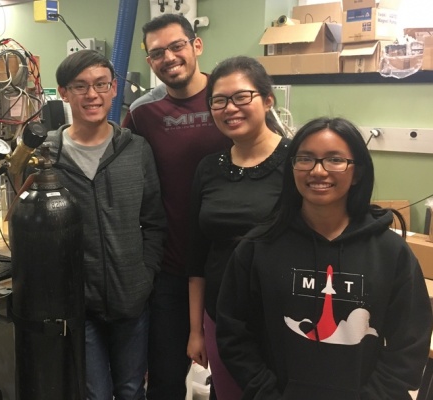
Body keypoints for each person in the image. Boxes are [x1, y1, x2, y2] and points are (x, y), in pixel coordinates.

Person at [216, 116, 433, 400]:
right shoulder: (258, 246)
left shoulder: (390, 252)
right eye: (306, 159)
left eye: (335, 160)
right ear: (292, 168)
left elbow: (410, 343)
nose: (318, 171)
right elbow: (234, 333)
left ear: (357, 173)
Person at [122, 14, 232, 399]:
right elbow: (116, 171)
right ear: (149, 61)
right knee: (166, 380)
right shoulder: (142, 115)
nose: (168, 57)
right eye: (157, 52)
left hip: (229, 269)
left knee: (234, 380)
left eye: (176, 46)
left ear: (196, 45)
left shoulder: (230, 102)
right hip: (171, 271)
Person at [49, 49, 167, 399]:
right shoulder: (47, 157)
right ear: (63, 92)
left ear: (114, 88)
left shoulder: (136, 150)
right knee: (95, 394)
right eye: (81, 86)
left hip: (131, 298)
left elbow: (154, 222)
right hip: (77, 304)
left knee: (131, 390)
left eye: (101, 84)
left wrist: (144, 277)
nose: (92, 95)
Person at [187, 56, 290, 400]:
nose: (230, 108)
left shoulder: (297, 163)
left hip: (284, 319)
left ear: (267, 100)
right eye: (219, 100)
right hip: (221, 318)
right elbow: (197, 255)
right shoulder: (208, 169)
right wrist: (196, 330)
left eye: (242, 97)